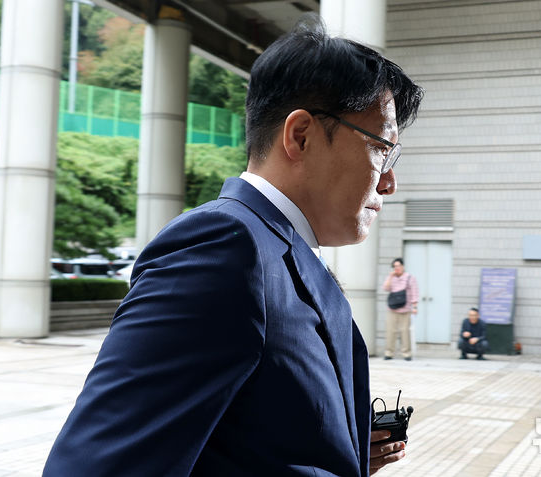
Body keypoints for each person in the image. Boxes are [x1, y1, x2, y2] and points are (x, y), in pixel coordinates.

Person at [43, 17, 423, 477]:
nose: (389, 182)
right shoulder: (223, 247)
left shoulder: (279, 247)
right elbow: (99, 467)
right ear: (300, 135)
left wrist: (338, 448)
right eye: (382, 148)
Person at [382, 258, 419, 361]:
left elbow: (414, 292)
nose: (397, 268)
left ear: (403, 266)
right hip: (392, 309)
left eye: (398, 266)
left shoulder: (410, 278)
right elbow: (385, 288)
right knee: (390, 331)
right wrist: (390, 277)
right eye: (395, 266)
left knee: (405, 332)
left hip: (405, 309)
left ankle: (407, 354)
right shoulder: (391, 277)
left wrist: (414, 307)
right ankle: (389, 353)